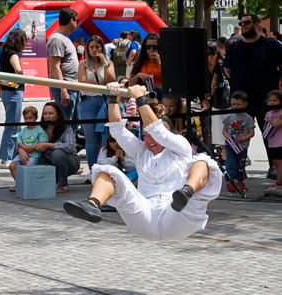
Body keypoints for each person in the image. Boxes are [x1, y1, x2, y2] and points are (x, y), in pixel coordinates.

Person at [64, 83, 222, 239]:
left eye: (152, 136)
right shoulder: (141, 151)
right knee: (106, 171)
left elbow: (158, 132)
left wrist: (140, 98)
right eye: (145, 136)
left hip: (179, 214)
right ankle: (92, 204)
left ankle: (186, 193)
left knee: (203, 162)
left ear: (168, 132)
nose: (149, 140)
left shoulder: (180, 146)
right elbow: (117, 130)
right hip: (146, 216)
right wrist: (113, 97)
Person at [223, 13, 282, 132]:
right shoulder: (234, 47)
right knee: (239, 139)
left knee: (272, 139)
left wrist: (274, 81)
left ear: (256, 24)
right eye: (241, 23)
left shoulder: (272, 45)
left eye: (246, 23)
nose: (243, 25)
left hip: (267, 101)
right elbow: (227, 69)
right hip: (241, 102)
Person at [77, 36, 116, 171]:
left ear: (102, 48)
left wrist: (104, 63)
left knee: (105, 138)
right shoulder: (83, 64)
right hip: (88, 101)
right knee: (91, 140)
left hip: (105, 102)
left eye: (98, 47)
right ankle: (93, 170)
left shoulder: (109, 63)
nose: (95, 50)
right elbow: (82, 81)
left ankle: (106, 169)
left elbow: (111, 79)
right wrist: (101, 85)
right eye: (92, 47)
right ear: (87, 49)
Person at [0, 29, 27, 169]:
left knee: (14, 125)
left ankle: (14, 154)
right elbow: (18, 70)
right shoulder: (13, 54)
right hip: (14, 92)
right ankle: (6, 158)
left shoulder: (4, 53)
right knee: (12, 126)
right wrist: (20, 78)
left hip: (6, 91)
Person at [36, 101, 79, 193]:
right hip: (46, 160)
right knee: (25, 154)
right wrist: (21, 150)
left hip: (69, 162)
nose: (47, 116)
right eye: (45, 113)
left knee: (58, 153)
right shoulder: (39, 128)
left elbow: (69, 147)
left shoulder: (66, 128)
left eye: (51, 113)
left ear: (58, 115)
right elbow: (25, 141)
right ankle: (23, 182)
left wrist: (48, 145)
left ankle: (63, 185)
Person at [47, 8, 80, 120]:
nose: (77, 23)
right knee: (65, 123)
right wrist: (63, 90)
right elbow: (55, 66)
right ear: (71, 21)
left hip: (72, 86)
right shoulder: (57, 40)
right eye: (77, 20)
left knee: (74, 123)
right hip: (66, 87)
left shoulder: (64, 38)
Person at [7, 106, 49, 186]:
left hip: (34, 155)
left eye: (30, 118)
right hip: (22, 154)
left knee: (28, 167)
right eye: (26, 118)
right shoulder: (23, 130)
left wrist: (29, 148)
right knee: (12, 166)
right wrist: (25, 148)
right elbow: (19, 142)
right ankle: (19, 184)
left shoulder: (39, 130)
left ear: (36, 118)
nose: (28, 120)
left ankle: (28, 185)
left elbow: (42, 143)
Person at [221, 91, 254, 192]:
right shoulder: (229, 117)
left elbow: (251, 133)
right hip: (230, 146)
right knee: (230, 164)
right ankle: (229, 181)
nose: (235, 106)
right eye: (233, 104)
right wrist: (228, 138)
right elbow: (224, 130)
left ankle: (240, 181)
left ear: (245, 104)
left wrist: (241, 139)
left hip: (242, 147)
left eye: (238, 104)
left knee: (241, 165)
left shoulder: (248, 118)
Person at [127, 34, 163, 99]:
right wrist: (137, 76)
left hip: (161, 94)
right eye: (148, 47)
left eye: (155, 47)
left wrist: (159, 63)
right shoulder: (140, 62)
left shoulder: (164, 62)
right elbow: (130, 84)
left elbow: (169, 81)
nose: (151, 50)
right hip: (144, 94)